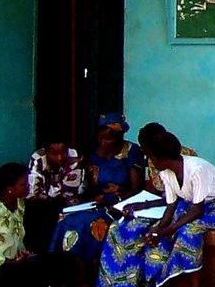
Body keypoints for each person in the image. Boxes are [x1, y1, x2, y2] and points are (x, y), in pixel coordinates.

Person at [98, 132, 215, 287]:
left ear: (158, 158)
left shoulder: (196, 169)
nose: (150, 162)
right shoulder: (166, 173)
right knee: (152, 231)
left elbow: (196, 211)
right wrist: (159, 230)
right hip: (193, 205)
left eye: (150, 157)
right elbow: (171, 206)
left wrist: (166, 231)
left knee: (189, 232)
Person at [49, 113, 146, 270]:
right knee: (65, 218)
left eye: (109, 139)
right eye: (101, 139)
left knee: (90, 224)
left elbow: (137, 189)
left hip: (121, 206)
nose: (104, 143)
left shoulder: (131, 152)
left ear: (120, 137)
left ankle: (90, 271)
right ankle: (67, 268)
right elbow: (88, 186)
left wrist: (114, 197)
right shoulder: (93, 154)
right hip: (96, 203)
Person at [24, 140, 87, 252]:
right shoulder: (38, 158)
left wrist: (50, 193)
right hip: (42, 207)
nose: (59, 158)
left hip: (68, 206)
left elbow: (70, 192)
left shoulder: (74, 157)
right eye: (54, 154)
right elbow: (32, 194)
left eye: (63, 153)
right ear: (46, 151)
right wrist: (54, 194)